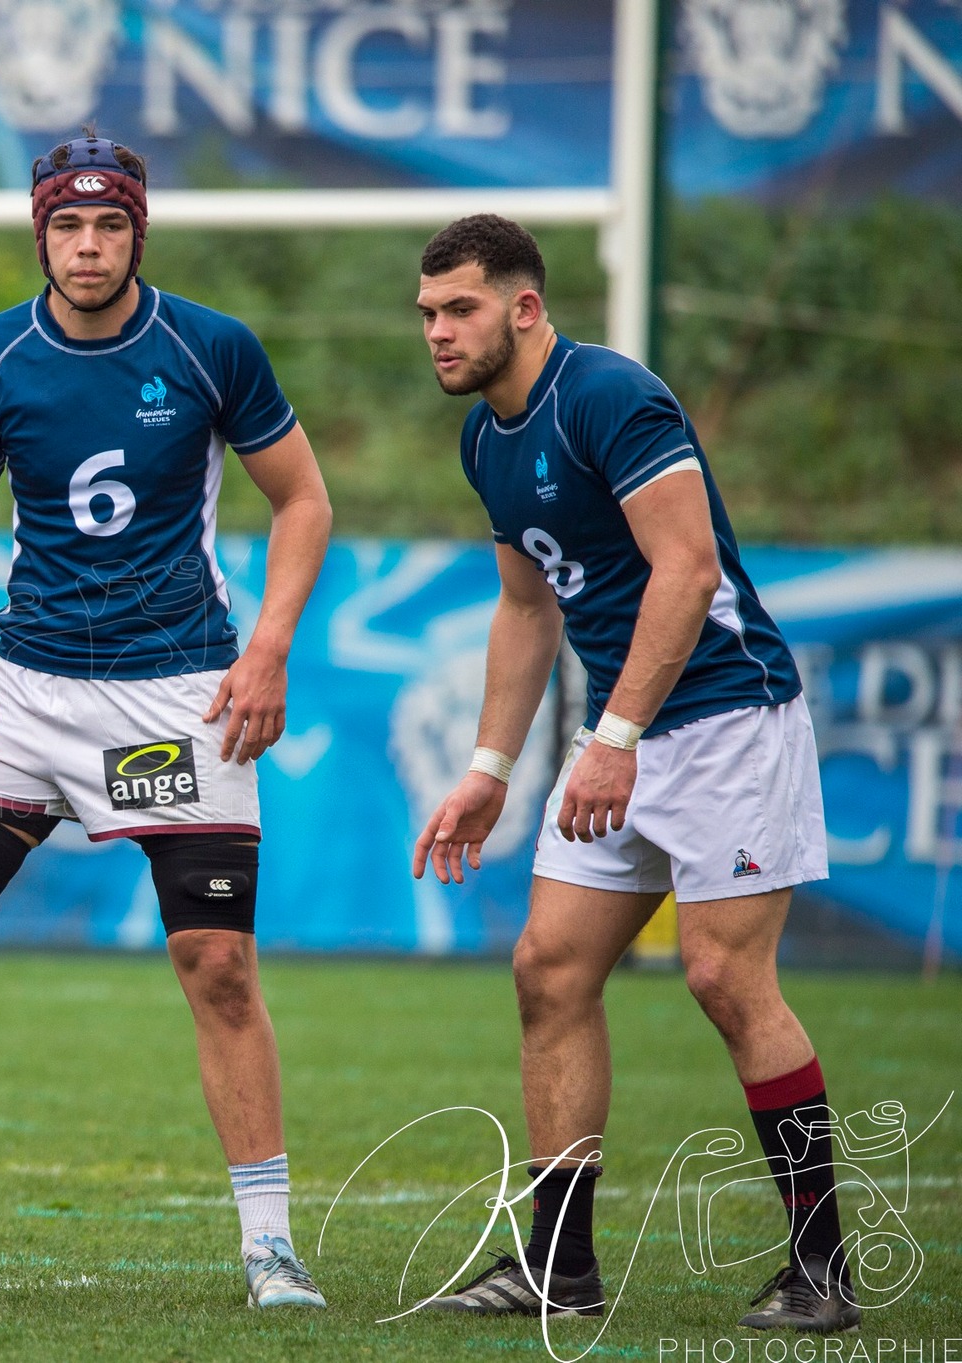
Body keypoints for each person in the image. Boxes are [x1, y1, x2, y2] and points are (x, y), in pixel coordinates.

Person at [0, 134, 334, 1310]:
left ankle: (268, 1243)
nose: (86, 246)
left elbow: (302, 500)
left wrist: (267, 650)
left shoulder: (209, 346)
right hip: (32, 694)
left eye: (107, 226)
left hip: (174, 694)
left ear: (136, 231)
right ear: (39, 233)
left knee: (216, 965)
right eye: (66, 226)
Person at [409, 215, 853, 1332]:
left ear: (522, 307)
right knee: (547, 969)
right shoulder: (483, 438)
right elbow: (524, 608)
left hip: (723, 717)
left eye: (457, 308)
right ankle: (555, 1266)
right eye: (425, 313)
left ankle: (824, 1271)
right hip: (623, 729)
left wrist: (610, 735)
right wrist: (487, 768)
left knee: (718, 978)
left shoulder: (609, 397)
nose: (436, 332)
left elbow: (686, 567)